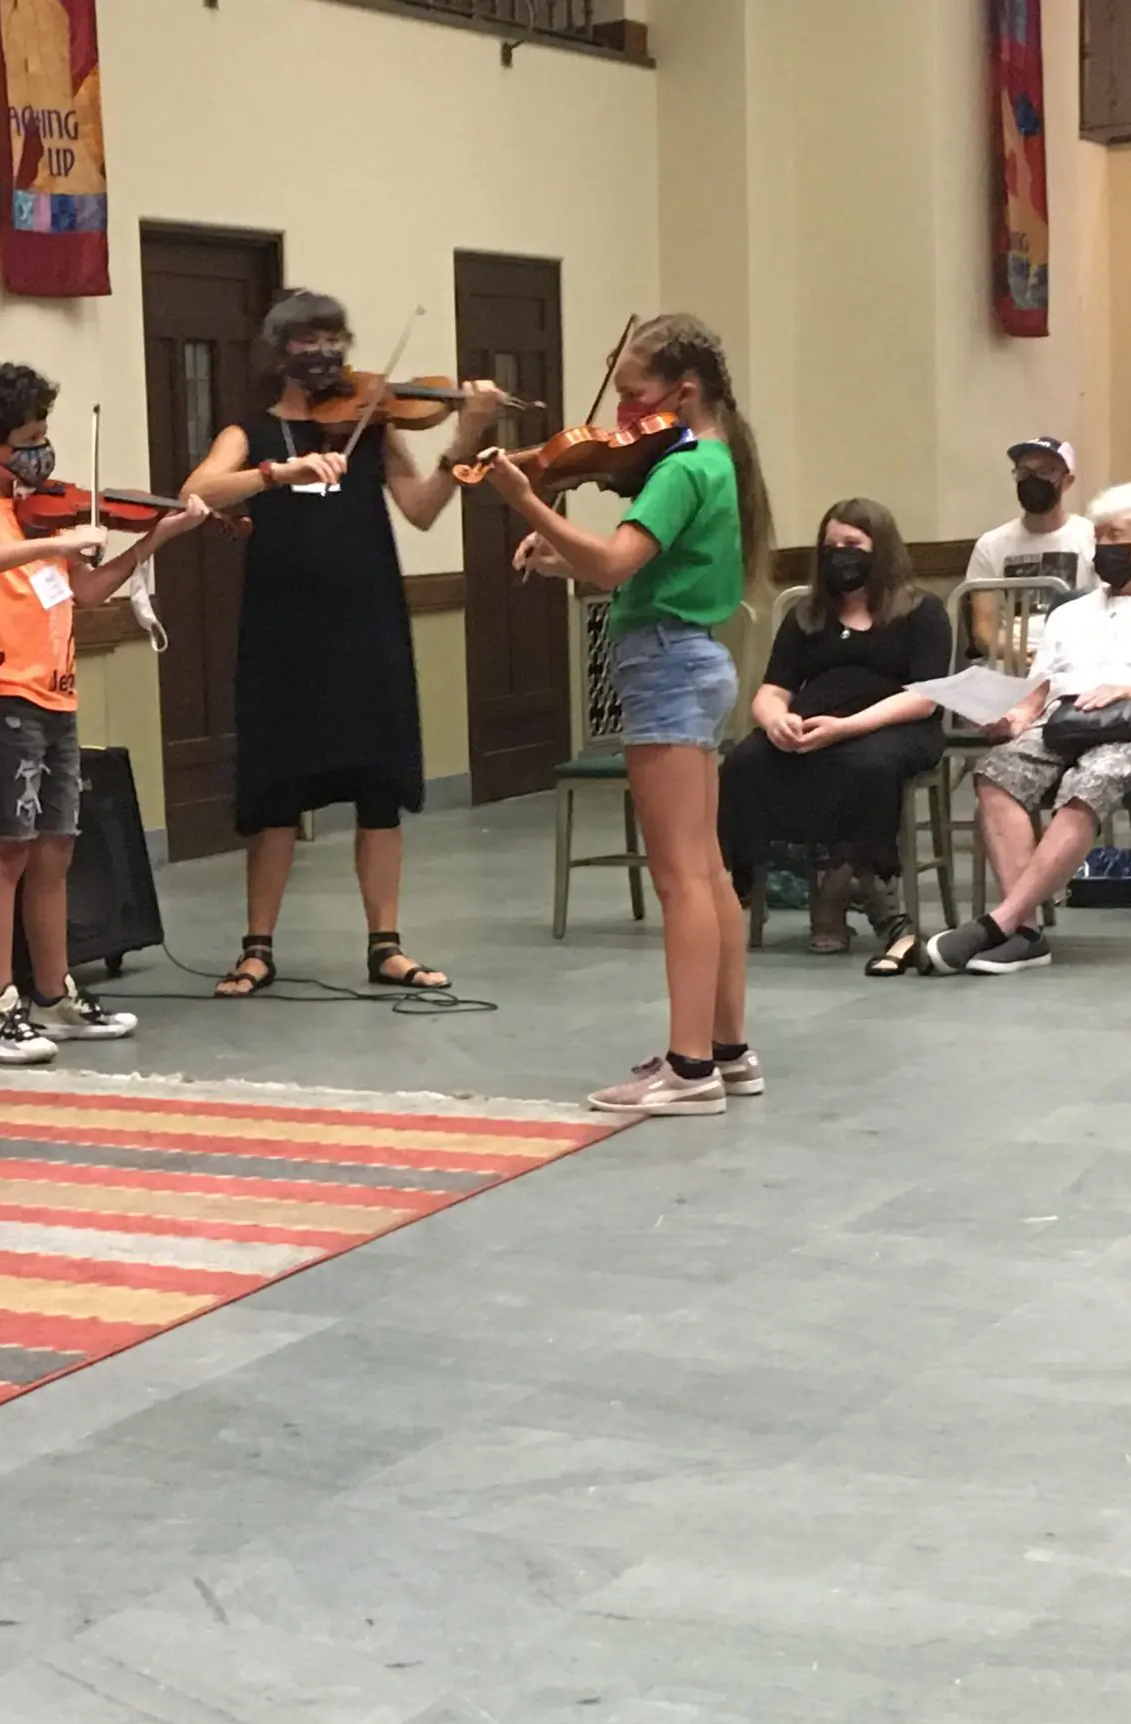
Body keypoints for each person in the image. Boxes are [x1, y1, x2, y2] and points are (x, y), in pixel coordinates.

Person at [486, 312, 773, 1117]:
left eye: (633, 396)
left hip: (669, 668)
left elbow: (615, 565)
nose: (620, 420)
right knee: (708, 869)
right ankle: (727, 1048)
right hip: (693, 660)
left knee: (681, 877)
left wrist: (525, 502)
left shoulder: (680, 470)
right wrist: (558, 552)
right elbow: (635, 567)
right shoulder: (713, 461)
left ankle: (688, 1070)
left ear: (683, 392)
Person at [178, 289, 503, 998]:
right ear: (279, 351)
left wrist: (463, 439)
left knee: (377, 785)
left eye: (334, 340)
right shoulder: (253, 431)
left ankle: (386, 944)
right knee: (274, 792)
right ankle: (257, 947)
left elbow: (420, 511)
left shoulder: (373, 427)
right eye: (308, 341)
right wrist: (280, 473)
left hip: (367, 623)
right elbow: (198, 491)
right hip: (282, 633)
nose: (324, 354)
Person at [0, 362, 209, 1064]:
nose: (42, 451)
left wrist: (155, 539)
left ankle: (53, 994)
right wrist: (53, 542)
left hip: (58, 694)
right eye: (30, 439)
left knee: (55, 847)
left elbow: (86, 592)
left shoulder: (42, 507)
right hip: (4, 698)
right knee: (5, 849)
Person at [923, 481, 1131, 977]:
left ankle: (1000, 923)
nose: (1103, 549)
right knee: (996, 773)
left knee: (1092, 779)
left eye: (1116, 537)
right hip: (1067, 717)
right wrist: (1012, 718)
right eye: (1098, 538)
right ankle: (1027, 932)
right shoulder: (1070, 614)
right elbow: (1038, 690)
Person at [716, 499, 952, 976]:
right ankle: (736, 892)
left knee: (864, 766)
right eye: (831, 547)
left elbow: (925, 698)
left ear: (879, 549)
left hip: (894, 728)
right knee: (746, 762)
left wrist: (847, 727)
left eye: (853, 545)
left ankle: (856, 893)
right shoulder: (807, 615)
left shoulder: (922, 611)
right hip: (813, 725)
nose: (840, 555)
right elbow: (771, 691)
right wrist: (774, 721)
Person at [963, 437, 1094, 658]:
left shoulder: (1091, 537)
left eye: (1045, 471)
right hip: (1010, 664)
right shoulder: (991, 545)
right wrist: (1013, 651)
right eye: (1024, 472)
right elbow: (984, 630)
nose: (1033, 480)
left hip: (1077, 659)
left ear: (1067, 481)